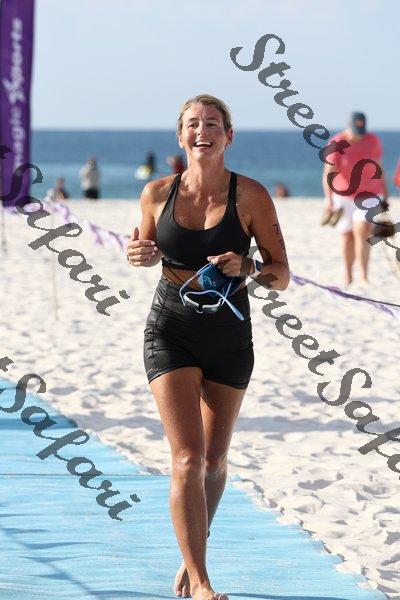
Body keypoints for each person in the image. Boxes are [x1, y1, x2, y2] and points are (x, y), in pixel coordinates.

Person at [126, 94, 289, 600]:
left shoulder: (251, 196)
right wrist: (139, 254)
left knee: (215, 462)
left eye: (213, 124)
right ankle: (201, 582)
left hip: (229, 337)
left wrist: (250, 267)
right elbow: (144, 250)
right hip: (170, 330)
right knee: (188, 458)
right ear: (181, 137)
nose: (203, 132)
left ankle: (193, 548)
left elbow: (281, 275)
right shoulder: (156, 193)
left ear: (228, 136)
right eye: (193, 124)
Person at [322, 112, 389, 288]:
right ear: (348, 126)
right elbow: (328, 174)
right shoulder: (336, 143)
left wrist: (386, 192)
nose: (358, 135)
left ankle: (364, 276)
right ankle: (348, 275)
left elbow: (379, 166)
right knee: (347, 236)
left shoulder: (372, 140)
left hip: (370, 193)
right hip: (343, 195)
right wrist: (328, 199)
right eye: (355, 130)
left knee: (362, 230)